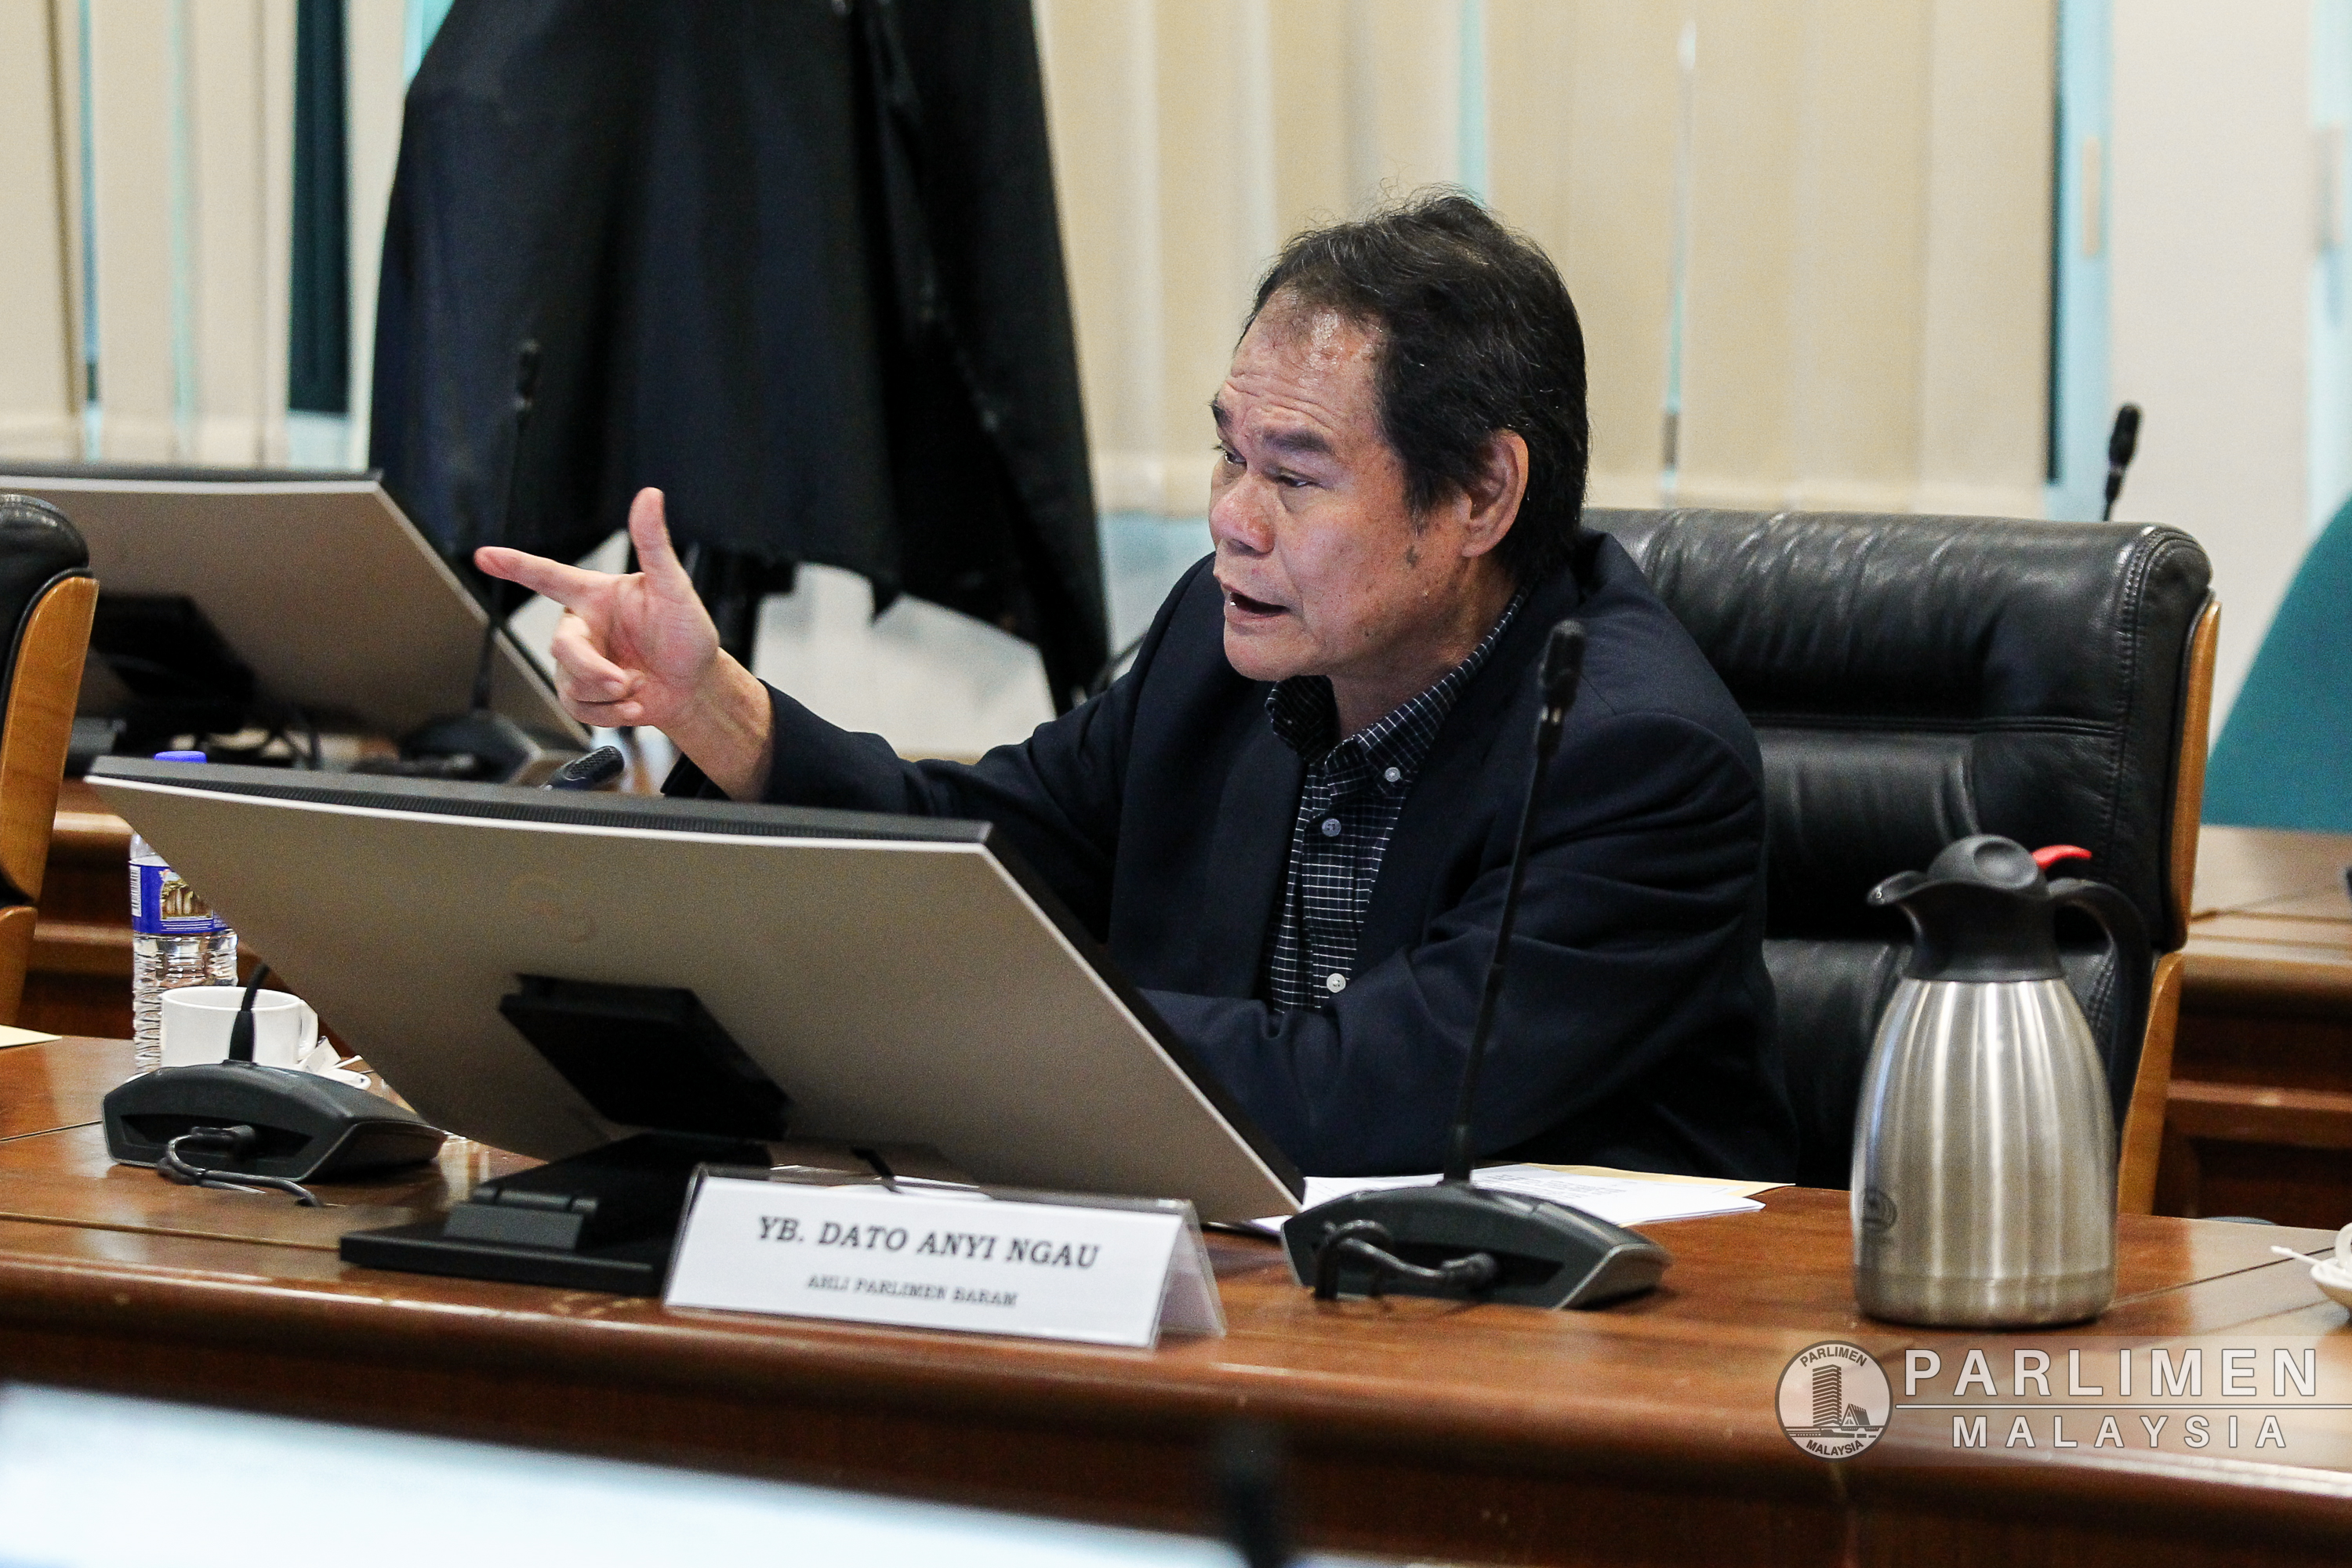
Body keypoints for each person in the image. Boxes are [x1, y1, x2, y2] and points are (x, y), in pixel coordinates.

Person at [480, 193, 1796, 1180]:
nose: (1232, 519)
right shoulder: (1223, 647)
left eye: (1296, 474)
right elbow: (987, 852)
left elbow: (1368, 1096)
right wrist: (710, 702)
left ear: (1481, 496)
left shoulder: (1633, 757)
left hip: (1580, 1365)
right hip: (1257, 1294)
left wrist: (949, 1026)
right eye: (1228, 456)